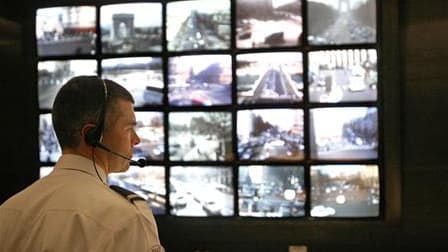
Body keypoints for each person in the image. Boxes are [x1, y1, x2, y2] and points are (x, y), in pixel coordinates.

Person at [0, 76, 164, 252]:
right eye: (128, 129)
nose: (136, 140)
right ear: (92, 136)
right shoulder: (125, 218)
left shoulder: (8, 211)